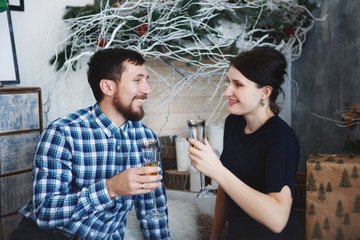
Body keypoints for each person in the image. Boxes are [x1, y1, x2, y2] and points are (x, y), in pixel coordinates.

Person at [10, 48, 170, 240]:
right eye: (137, 80)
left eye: (146, 79)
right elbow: (46, 212)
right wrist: (110, 188)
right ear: (108, 87)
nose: (147, 89)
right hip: (51, 235)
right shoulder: (63, 133)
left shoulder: (146, 139)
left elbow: (153, 210)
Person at [187, 47, 302, 240]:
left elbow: (277, 220)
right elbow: (225, 187)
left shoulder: (281, 138)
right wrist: (214, 236)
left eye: (238, 85)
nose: (226, 92)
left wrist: (218, 171)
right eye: (228, 82)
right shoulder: (234, 123)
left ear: (264, 92)